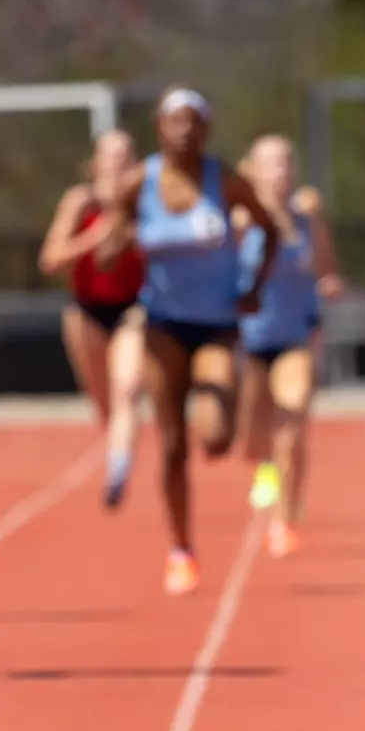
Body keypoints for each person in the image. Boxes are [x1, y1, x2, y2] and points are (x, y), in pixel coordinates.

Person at [95, 87, 277, 595]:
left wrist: (254, 288)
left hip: (218, 321)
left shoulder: (226, 181)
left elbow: (269, 228)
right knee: (172, 443)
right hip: (163, 324)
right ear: (159, 127)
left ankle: (213, 396)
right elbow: (106, 254)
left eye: (194, 122)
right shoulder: (139, 183)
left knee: (216, 436)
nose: (185, 131)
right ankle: (181, 548)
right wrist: (121, 241)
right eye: (176, 121)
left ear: (207, 128)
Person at [234, 134, 344, 557]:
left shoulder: (307, 220)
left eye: (286, 163)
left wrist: (330, 282)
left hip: (295, 338)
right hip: (249, 343)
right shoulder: (241, 221)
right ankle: (265, 466)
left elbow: (327, 268)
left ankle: (285, 517)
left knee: (293, 420)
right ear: (256, 171)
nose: (281, 172)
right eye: (272, 164)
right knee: (254, 438)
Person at [38, 129, 147, 509]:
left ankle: (119, 472)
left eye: (126, 155)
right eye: (111, 155)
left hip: (134, 309)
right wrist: (96, 237)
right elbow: (49, 260)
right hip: (86, 311)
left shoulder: (145, 203)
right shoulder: (81, 202)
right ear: (95, 164)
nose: (119, 163)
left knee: (128, 389)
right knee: (104, 404)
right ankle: (116, 444)